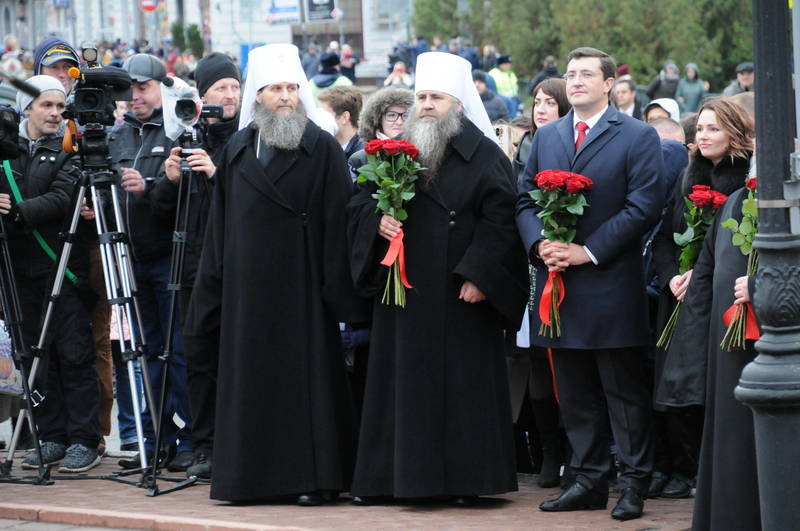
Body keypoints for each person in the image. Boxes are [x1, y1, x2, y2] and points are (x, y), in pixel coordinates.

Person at [184, 43, 363, 505]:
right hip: (246, 294)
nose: (285, 97)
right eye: (274, 89)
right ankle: (250, 478)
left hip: (300, 289)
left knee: (305, 387)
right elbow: (219, 229)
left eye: (290, 88)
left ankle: (313, 479)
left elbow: (339, 220)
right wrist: (212, 291)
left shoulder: (320, 147)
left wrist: (335, 291)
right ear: (258, 97)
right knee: (251, 385)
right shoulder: (240, 148)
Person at [347, 51, 528, 506]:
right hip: (405, 293)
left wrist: (480, 274)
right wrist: (377, 223)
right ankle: (396, 479)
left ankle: (466, 482)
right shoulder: (394, 152)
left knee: (459, 390)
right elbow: (358, 205)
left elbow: (501, 220)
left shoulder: (485, 155)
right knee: (404, 386)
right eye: (421, 97)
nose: (426, 105)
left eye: (436, 98)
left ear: (458, 104)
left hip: (458, 292)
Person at [516, 47, 665, 521]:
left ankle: (635, 484)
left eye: (586, 74)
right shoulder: (548, 136)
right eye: (570, 74)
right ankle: (587, 479)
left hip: (609, 282)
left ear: (608, 84)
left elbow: (643, 206)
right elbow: (524, 199)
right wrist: (541, 244)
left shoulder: (637, 135)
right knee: (574, 391)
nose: (576, 81)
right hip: (558, 285)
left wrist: (587, 250)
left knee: (623, 392)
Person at [652, 99, 753, 512]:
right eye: (700, 130)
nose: (703, 136)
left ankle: (703, 470)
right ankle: (681, 465)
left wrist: (703, 273)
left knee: (708, 382)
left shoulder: (744, 179)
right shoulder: (686, 176)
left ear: (733, 131)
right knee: (673, 381)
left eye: (713, 128)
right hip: (679, 292)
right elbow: (663, 234)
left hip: (721, 297)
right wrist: (673, 273)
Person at [3, 76, 99, 473]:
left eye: (61, 107)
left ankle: (84, 439)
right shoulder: (6, 152)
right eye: (47, 106)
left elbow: (64, 198)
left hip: (61, 270)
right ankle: (50, 435)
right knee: (32, 358)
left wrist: (17, 211)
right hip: (15, 273)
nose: (56, 114)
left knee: (73, 354)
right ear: (27, 109)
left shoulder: (68, 153)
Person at [112, 53, 194, 472]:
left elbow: (184, 195)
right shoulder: (117, 136)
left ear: (162, 88)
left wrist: (151, 185)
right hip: (130, 259)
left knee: (176, 352)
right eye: (130, 89)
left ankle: (186, 438)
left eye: (142, 88)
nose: (135, 96)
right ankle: (155, 437)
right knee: (145, 352)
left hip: (168, 259)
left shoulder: (177, 128)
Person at [163, 51, 241, 480]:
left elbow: (249, 204)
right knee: (198, 356)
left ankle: (235, 442)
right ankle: (204, 444)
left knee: (234, 357)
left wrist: (217, 174)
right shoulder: (188, 135)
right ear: (202, 95)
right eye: (219, 89)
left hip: (234, 267)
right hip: (192, 268)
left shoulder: (248, 138)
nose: (227, 96)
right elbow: (161, 212)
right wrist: (169, 179)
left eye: (233, 87)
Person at [511, 76, 571, 488]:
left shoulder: (571, 148)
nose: (541, 108)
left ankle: (578, 453)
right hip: (532, 266)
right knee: (536, 368)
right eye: (537, 101)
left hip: (571, 267)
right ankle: (549, 451)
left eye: (550, 102)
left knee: (572, 369)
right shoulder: (522, 154)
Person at [318, 85, 364, 160]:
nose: (320, 119)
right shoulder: (325, 147)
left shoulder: (363, 154)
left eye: (326, 114)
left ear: (344, 117)